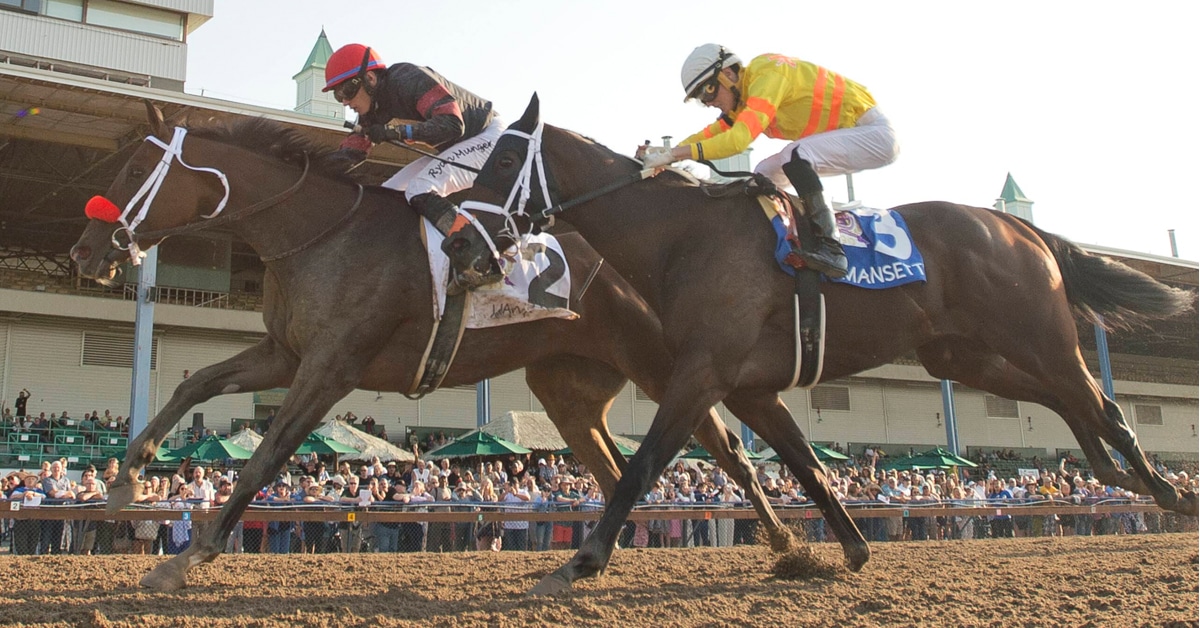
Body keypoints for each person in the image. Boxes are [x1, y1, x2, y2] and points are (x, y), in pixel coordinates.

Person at [639, 44, 899, 279]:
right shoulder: (744, 98)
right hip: (850, 135)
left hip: (874, 133)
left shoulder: (767, 75)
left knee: (796, 156)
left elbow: (736, 141)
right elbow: (708, 135)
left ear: (728, 75)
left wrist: (673, 156)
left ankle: (832, 249)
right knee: (763, 174)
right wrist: (664, 153)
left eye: (707, 92)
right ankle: (796, 238)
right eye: (701, 99)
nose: (708, 103)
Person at [323, 43, 503, 292]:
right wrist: (309, 168)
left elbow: (452, 124)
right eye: (337, 95)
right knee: (388, 194)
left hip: (489, 138)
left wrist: (394, 132)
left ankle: (481, 261)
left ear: (369, 78)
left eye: (346, 90)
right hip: (459, 145)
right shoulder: (373, 107)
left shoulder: (407, 79)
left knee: (420, 188)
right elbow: (353, 152)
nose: (344, 101)